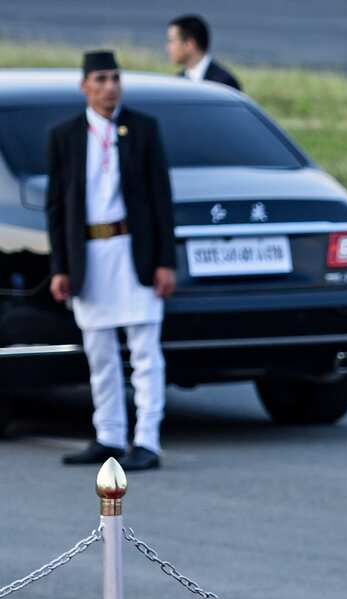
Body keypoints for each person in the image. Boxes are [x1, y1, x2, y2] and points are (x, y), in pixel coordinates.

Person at [46, 50, 176, 471]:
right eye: (100, 79)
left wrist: (164, 261)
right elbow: (57, 206)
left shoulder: (143, 129)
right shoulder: (65, 136)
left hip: (132, 250)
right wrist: (60, 267)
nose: (109, 87)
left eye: (115, 78)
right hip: (89, 255)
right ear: (84, 85)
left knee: (144, 352)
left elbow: (161, 200)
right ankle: (109, 435)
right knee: (99, 352)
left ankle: (147, 439)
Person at [166, 15, 241, 91]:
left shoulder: (224, 83)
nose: (168, 47)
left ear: (189, 44)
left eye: (171, 41)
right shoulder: (178, 81)